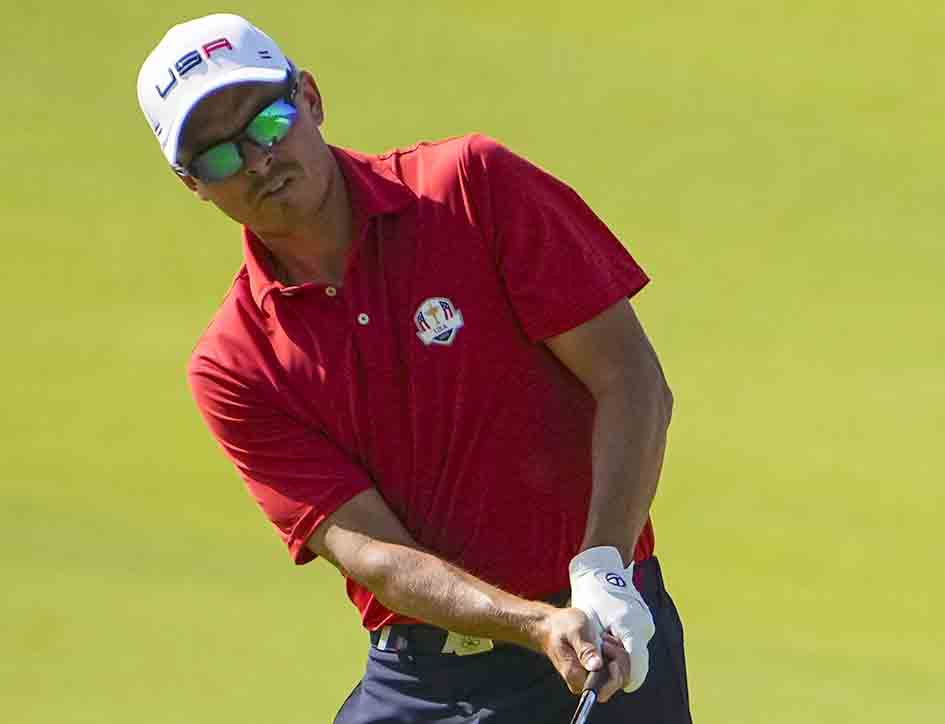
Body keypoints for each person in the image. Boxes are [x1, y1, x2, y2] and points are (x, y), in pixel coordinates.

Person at [136, 14, 690, 723]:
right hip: (428, 679)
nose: (256, 161)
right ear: (192, 183)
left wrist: (604, 569)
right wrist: (531, 624)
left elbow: (632, 381)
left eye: (268, 121)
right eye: (218, 157)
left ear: (309, 97)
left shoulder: (471, 187)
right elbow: (374, 554)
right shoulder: (235, 365)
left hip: (607, 634)